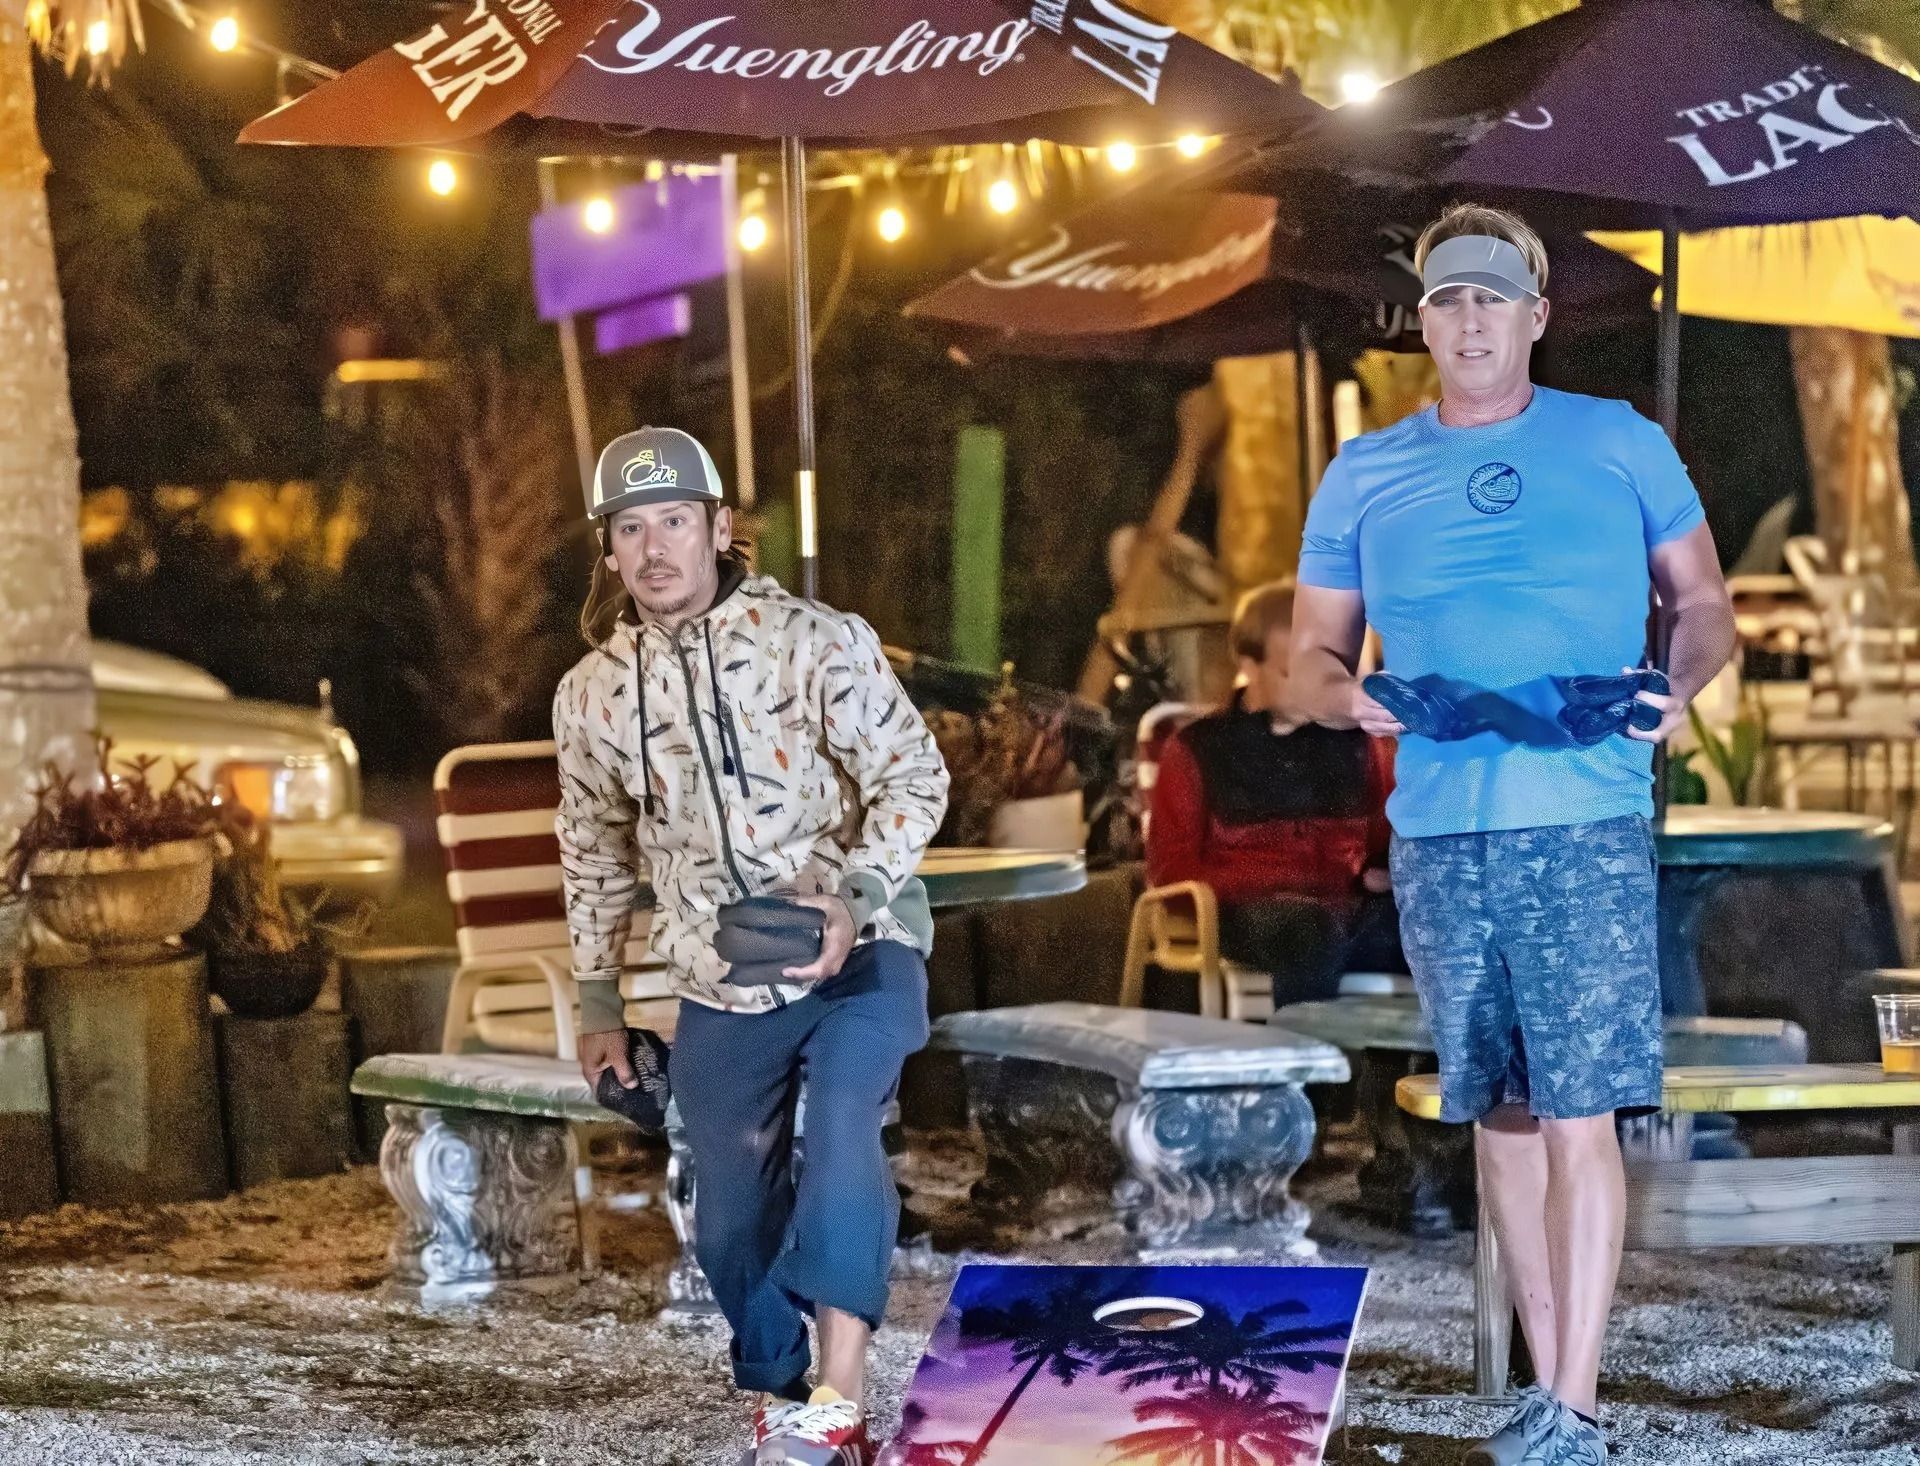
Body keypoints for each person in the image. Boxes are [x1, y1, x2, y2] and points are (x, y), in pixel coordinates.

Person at [1289, 205, 1735, 1466]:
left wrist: (1677, 683)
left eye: (1493, 297)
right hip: (1439, 832)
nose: (1470, 318)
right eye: (1447, 299)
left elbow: (1704, 604)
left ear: (1537, 315)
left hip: (1583, 817)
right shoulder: (1366, 469)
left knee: (1580, 1106)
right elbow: (1307, 657)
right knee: (1499, 1110)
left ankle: (1580, 1406)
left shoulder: (1618, 440)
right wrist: (1352, 693)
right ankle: (1544, 1385)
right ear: (1419, 319)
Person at [553, 425, 950, 1466]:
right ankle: (783, 1389)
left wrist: (856, 895)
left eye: (674, 520)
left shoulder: (816, 639)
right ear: (608, 550)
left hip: (860, 947)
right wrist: (598, 1001)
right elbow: (591, 844)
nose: (653, 547)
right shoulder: (592, 695)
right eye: (629, 527)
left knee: (843, 1120)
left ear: (720, 527)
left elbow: (917, 775)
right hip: (724, 974)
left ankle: (840, 1398)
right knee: (728, 1219)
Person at [1146, 580, 1399, 1010]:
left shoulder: (1360, 745)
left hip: (1345, 916)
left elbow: (1382, 848)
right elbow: (1173, 870)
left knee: (1449, 925)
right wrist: (1290, 883)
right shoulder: (1199, 750)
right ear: (1251, 664)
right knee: (1305, 930)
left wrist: (1390, 873)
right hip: (1250, 916)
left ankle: (1429, 1073)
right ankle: (1311, 1073)